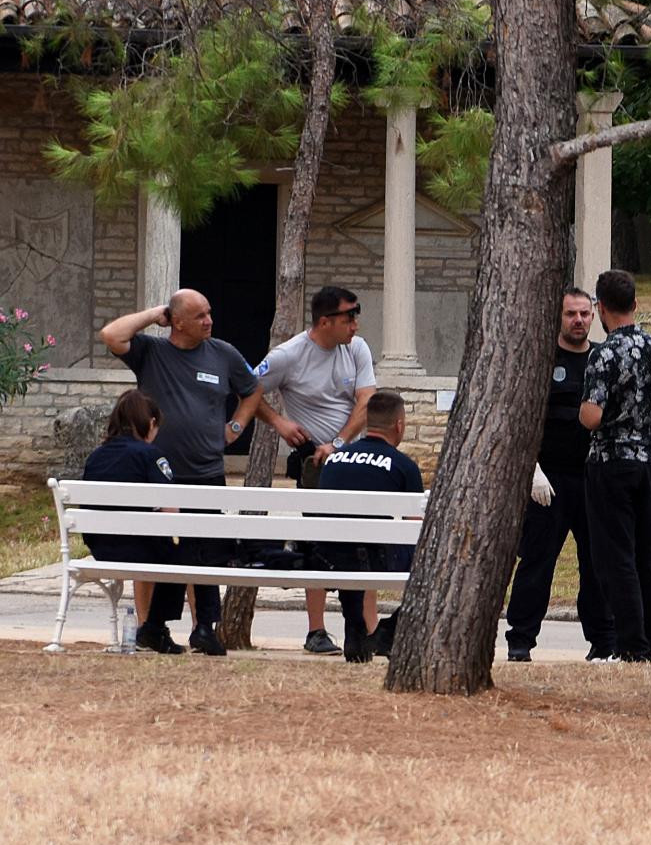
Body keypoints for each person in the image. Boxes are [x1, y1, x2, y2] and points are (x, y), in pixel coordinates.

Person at [98, 288, 261, 656]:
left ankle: (203, 627)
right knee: (158, 551)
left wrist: (234, 428)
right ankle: (148, 626)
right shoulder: (151, 353)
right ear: (177, 322)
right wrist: (156, 311)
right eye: (200, 315)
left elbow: (251, 390)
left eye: (209, 312)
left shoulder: (223, 354)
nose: (209, 321)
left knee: (204, 553)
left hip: (206, 472)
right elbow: (111, 335)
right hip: (159, 475)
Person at [253, 285, 378, 655]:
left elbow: (367, 399)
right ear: (325, 321)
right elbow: (248, 388)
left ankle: (369, 630)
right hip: (316, 465)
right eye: (349, 317)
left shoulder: (357, 348)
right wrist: (279, 423)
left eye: (357, 315)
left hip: (355, 458)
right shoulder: (289, 355)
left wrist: (339, 442)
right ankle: (316, 630)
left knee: (364, 545)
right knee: (317, 543)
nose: (355, 324)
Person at [579, 268, 651, 662]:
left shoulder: (603, 354)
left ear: (601, 308)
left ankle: (632, 645)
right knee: (650, 555)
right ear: (636, 305)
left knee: (617, 556)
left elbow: (591, 416)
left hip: (610, 463)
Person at [504, 288, 614, 661]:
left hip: (591, 478)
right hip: (546, 481)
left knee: (597, 564)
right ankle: (520, 640)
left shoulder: (603, 358)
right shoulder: (539, 359)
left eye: (584, 314)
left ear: (593, 316)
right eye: (571, 314)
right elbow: (520, 419)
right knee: (537, 562)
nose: (578, 321)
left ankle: (603, 641)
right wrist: (531, 469)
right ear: (559, 316)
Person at [314, 390, 424, 664]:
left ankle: (356, 629)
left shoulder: (335, 460)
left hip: (328, 556)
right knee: (429, 561)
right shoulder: (403, 466)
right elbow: (416, 529)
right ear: (399, 426)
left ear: (366, 423)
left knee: (351, 553)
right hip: (374, 557)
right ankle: (384, 633)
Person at [79, 390, 178, 651]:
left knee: (155, 545)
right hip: (139, 549)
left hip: (102, 548)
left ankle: (149, 625)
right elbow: (172, 512)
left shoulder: (95, 457)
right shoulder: (151, 455)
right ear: (152, 423)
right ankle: (156, 628)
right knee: (182, 554)